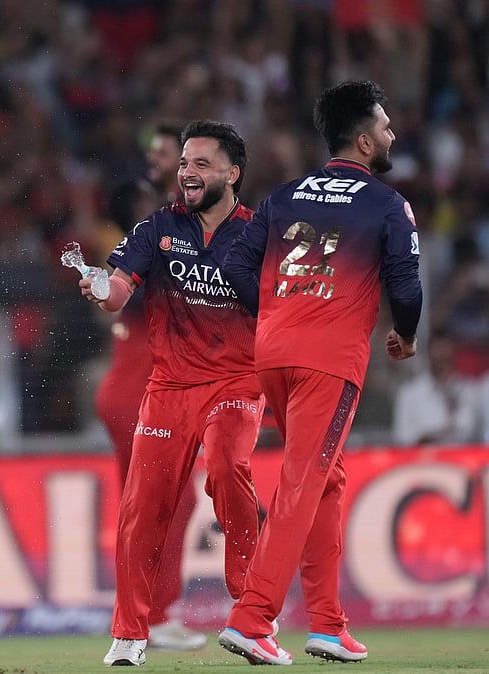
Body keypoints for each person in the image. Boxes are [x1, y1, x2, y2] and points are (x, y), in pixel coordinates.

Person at [219, 79, 422, 666]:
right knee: (304, 482)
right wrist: (406, 336)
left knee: (325, 478)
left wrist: (276, 315)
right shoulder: (387, 204)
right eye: (385, 127)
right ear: (364, 141)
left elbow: (234, 266)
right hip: (328, 362)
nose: (392, 134)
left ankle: (329, 626)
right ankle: (252, 620)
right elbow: (406, 288)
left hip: (274, 353)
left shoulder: (283, 196)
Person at [82, 121, 264, 667]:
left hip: (235, 381)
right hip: (169, 386)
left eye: (201, 163)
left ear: (232, 174)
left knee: (227, 469)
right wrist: (102, 287)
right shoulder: (157, 227)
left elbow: (283, 310)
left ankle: (251, 607)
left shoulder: (261, 234)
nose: (188, 171)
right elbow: (118, 291)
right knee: (143, 505)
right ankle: (130, 632)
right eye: (185, 162)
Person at [94, 177, 207, 652]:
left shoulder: (157, 255)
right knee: (169, 503)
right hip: (139, 396)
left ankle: (143, 614)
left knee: (155, 504)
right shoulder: (154, 257)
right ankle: (151, 616)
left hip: (137, 393)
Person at [392, 330, 481, 445]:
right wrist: (429, 438)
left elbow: (470, 431)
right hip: (422, 455)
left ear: (453, 356)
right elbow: (402, 437)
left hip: (459, 455)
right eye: (437, 359)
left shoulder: (468, 390)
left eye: (445, 358)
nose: (441, 364)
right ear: (428, 356)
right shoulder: (409, 393)